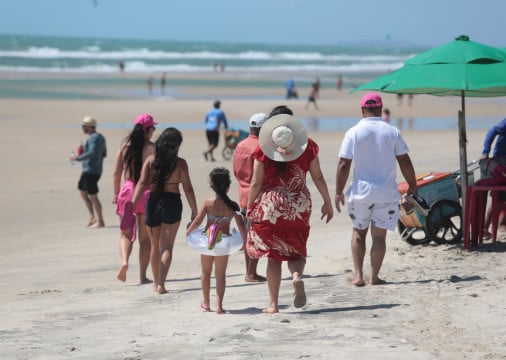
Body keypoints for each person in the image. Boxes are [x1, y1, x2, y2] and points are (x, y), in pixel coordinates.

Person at [246, 113, 334, 314]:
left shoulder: (263, 149)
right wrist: (327, 202)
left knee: (274, 256)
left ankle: (273, 305)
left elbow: (256, 183)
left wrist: (250, 207)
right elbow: (318, 176)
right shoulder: (308, 146)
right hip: (299, 205)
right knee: (297, 249)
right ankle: (296, 277)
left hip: (272, 207)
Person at [335, 93, 418, 286]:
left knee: (358, 232)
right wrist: (413, 185)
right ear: (380, 109)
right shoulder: (392, 131)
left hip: (360, 193)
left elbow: (343, 164)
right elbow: (404, 160)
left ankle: (357, 276)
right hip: (386, 193)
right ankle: (373, 277)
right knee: (379, 236)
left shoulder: (353, 132)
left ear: (362, 109)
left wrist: (338, 192)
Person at [132, 127, 198, 294]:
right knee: (167, 247)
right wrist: (194, 209)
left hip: (153, 202)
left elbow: (141, 183)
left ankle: (155, 284)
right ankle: (161, 284)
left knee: (155, 246)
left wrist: (132, 203)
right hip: (171, 202)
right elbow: (188, 188)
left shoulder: (150, 161)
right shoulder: (180, 163)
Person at [186, 167, 247, 314]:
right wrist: (245, 243)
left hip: (208, 242)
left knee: (206, 272)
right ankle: (219, 306)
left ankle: (206, 303)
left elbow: (197, 221)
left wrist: (188, 233)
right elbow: (241, 226)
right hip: (224, 243)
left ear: (212, 186)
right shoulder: (233, 205)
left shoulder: (208, 203)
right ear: (228, 186)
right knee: (220, 275)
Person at [113, 113, 157, 283]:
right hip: (145, 193)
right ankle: (142, 276)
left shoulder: (125, 147)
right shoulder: (152, 148)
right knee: (145, 239)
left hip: (127, 191)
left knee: (125, 234)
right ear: (147, 130)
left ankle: (124, 262)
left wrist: (116, 194)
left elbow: (117, 173)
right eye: (153, 127)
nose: (154, 130)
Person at [233, 112, 269, 283]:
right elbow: (261, 176)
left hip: (242, 194)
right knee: (254, 237)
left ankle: (250, 272)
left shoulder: (240, 145)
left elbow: (235, 172)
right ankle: (251, 273)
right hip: (256, 196)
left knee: (249, 236)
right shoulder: (261, 147)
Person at [70, 116, 107, 228]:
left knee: (93, 196)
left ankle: (100, 221)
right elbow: (104, 154)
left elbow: (92, 152)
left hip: (91, 171)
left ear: (90, 127)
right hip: (91, 170)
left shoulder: (93, 138)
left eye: (84, 126)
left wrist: (79, 157)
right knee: (83, 191)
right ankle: (92, 217)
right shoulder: (100, 137)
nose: (82, 128)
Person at [480, 117, 506, 236]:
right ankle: (486, 226)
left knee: (500, 197)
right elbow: (493, 130)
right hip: (501, 162)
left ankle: (501, 223)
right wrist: (485, 151)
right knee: (499, 196)